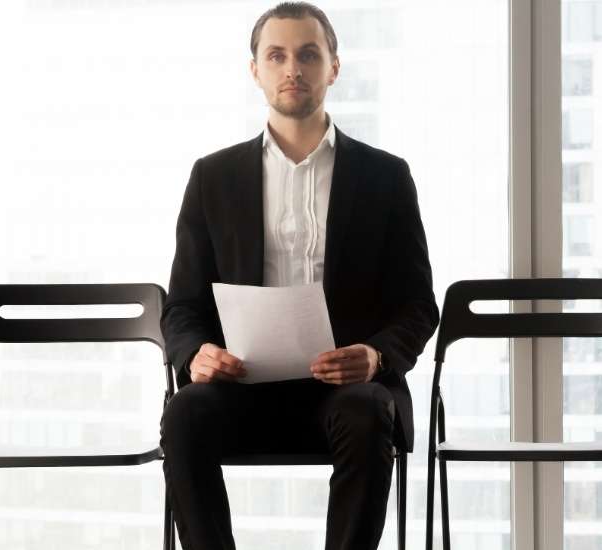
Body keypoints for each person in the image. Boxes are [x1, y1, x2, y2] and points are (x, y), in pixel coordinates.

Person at [158, 3, 438, 550]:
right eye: (277, 55)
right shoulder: (212, 177)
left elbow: (417, 304)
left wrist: (376, 356)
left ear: (333, 67)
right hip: (242, 388)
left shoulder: (386, 177)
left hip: (345, 393)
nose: (293, 68)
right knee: (185, 412)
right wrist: (196, 354)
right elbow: (182, 306)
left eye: (309, 54)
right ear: (255, 70)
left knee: (366, 410)